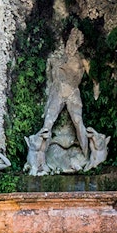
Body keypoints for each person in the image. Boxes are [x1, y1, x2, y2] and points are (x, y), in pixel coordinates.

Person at [39, 27, 90, 162]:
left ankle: (87, 158)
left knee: (79, 122)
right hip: (58, 92)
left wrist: (96, 91)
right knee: (48, 123)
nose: (72, 43)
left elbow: (94, 78)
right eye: (71, 39)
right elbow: (50, 79)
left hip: (73, 93)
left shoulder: (82, 61)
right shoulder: (57, 59)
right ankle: (40, 159)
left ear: (79, 43)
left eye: (75, 40)